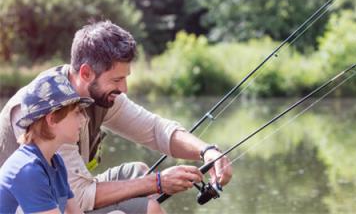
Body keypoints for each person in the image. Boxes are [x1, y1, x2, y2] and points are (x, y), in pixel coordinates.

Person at [0, 21, 232, 214]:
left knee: (139, 172)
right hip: (32, 206)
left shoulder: (97, 95)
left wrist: (207, 151)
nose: (125, 88)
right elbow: (79, 197)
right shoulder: (46, 111)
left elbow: (154, 129)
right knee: (149, 206)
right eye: (116, 80)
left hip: (66, 198)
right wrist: (158, 183)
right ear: (86, 73)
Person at [0, 74, 93, 213]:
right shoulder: (28, 169)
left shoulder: (56, 162)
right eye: (76, 112)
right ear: (52, 120)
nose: (83, 119)